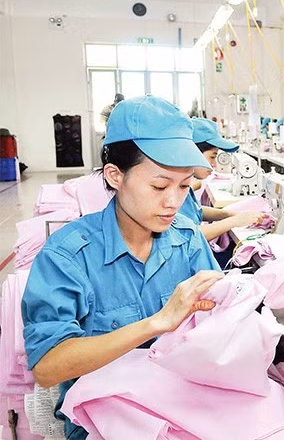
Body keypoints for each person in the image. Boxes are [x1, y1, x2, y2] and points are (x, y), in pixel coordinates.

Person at [22, 96, 225, 440]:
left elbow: (215, 321)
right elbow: (47, 367)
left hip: (183, 406)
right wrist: (156, 323)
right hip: (106, 421)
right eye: (159, 186)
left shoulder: (187, 238)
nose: (173, 202)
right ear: (115, 176)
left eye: (184, 186)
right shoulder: (69, 257)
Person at [178, 118, 268, 242]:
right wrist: (234, 221)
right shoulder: (174, 190)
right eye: (212, 157)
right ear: (193, 152)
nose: (214, 164)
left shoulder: (184, 184)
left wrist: (230, 214)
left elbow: (196, 210)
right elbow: (187, 237)